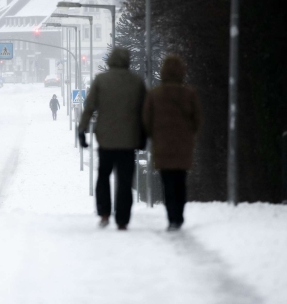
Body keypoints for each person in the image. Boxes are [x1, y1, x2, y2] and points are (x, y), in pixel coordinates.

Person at [78, 47, 147, 230]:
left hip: (106, 140)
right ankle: (123, 220)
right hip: (128, 140)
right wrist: (144, 135)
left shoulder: (101, 80)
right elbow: (145, 112)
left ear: (110, 61)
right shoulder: (136, 81)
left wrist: (82, 130)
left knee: (103, 176)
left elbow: (89, 107)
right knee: (125, 181)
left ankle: (104, 214)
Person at [143, 54, 202, 231]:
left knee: (167, 182)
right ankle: (180, 216)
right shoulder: (189, 94)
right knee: (180, 181)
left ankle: (172, 218)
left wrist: (154, 134)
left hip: (162, 145)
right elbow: (197, 119)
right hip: (183, 145)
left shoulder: (155, 94)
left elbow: (146, 119)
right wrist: (189, 133)